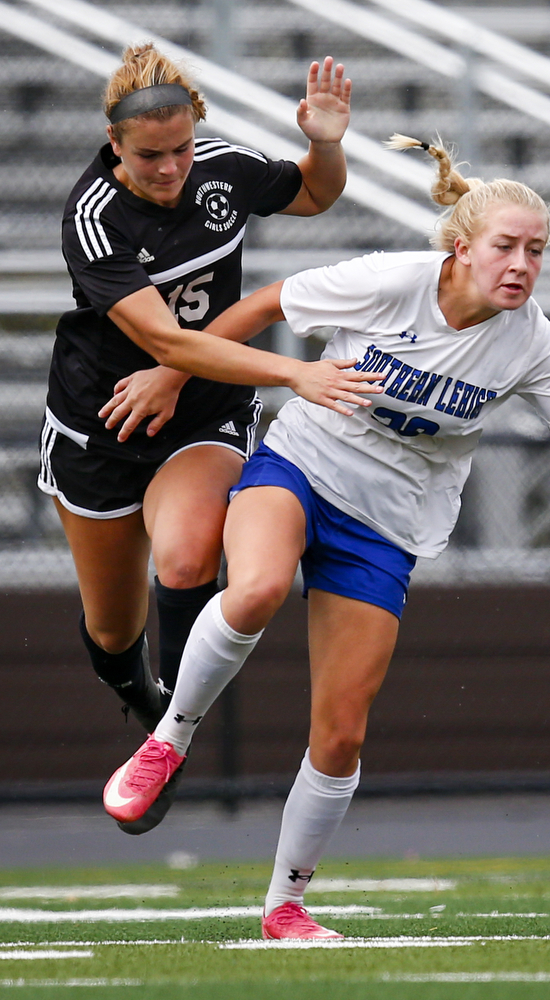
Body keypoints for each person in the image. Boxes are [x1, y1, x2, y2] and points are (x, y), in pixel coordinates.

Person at [101, 133, 550, 938]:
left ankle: (285, 907)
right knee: (257, 587)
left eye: (536, 251)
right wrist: (173, 368)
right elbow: (266, 302)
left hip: (387, 523)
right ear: (461, 246)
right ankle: (169, 739)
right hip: (300, 466)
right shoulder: (391, 280)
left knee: (340, 732)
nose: (521, 265)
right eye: (505, 247)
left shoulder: (531, 340)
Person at [38, 43, 380, 835]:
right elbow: (174, 344)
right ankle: (146, 701)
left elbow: (314, 196)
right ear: (115, 146)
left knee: (190, 557)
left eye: (182, 149)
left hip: (200, 416)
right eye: (150, 156)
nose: (170, 169)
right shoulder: (93, 219)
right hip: (101, 427)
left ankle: (170, 738)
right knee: (114, 629)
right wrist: (293, 374)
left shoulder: (222, 167)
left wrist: (325, 143)